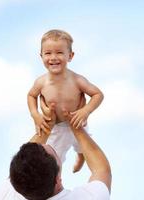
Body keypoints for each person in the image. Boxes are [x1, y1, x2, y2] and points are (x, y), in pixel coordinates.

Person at [0, 101, 111, 199]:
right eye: (55, 153)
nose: (47, 144)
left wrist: (48, 126)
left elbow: (23, 166)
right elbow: (102, 170)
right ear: (57, 180)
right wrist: (77, 127)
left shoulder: (7, 194)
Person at [27, 29, 104, 172]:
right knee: (54, 158)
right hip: (57, 128)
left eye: (59, 52)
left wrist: (85, 111)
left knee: (82, 145)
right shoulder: (41, 82)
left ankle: (81, 156)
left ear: (70, 56)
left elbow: (98, 94)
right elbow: (31, 95)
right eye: (48, 53)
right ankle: (57, 181)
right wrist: (35, 114)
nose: (53, 57)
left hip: (77, 121)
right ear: (41, 56)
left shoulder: (77, 80)